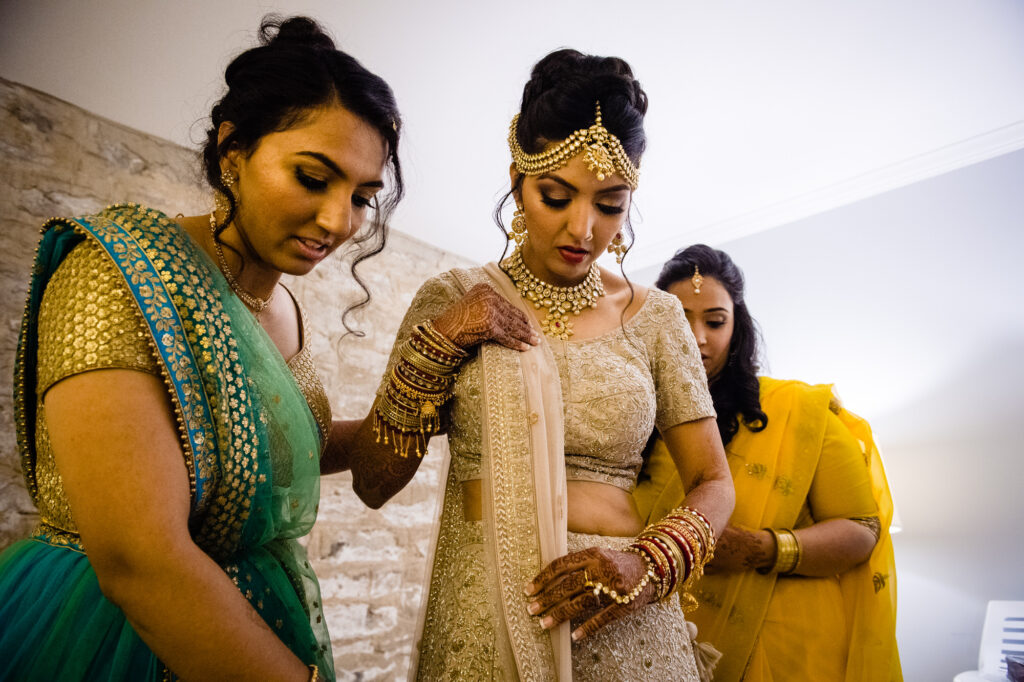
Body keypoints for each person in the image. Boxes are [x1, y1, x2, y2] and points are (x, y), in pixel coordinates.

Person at [0, 16, 424, 681]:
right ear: (233, 151)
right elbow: (140, 558)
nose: (339, 221)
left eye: (362, 197)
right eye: (313, 178)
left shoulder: (280, 303)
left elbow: (271, 450)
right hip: (122, 630)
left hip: (258, 605)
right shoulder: (118, 271)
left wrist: (423, 390)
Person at [358, 49, 735, 680]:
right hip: (489, 607)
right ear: (516, 179)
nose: (583, 228)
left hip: (627, 612)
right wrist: (441, 342)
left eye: (610, 205)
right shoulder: (453, 300)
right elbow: (373, 478)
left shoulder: (659, 316)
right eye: (556, 195)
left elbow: (714, 483)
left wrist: (645, 566)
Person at [633, 244, 902, 681]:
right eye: (679, 320)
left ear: (737, 329)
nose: (696, 337)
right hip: (658, 644)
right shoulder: (633, 421)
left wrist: (766, 547)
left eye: (715, 321)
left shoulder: (799, 411)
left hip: (786, 651)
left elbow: (862, 530)